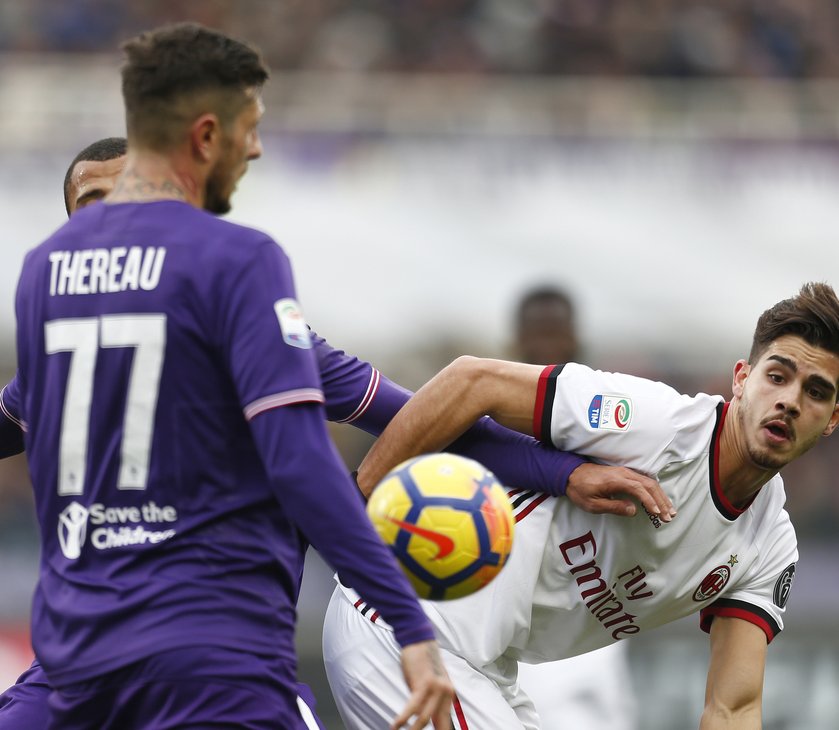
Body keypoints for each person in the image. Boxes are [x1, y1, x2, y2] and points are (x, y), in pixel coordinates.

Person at [1, 124, 671, 728]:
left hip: (219, 659)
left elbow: (435, 422)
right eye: (92, 204)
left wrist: (564, 471)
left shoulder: (260, 333)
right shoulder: (56, 356)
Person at [11, 24, 458, 730]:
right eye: (250, 127)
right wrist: (409, 624)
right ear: (206, 134)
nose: (254, 149)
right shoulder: (237, 260)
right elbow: (301, 464)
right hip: (212, 657)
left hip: (79, 663)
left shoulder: (44, 271)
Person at [323, 282, 839, 730]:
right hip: (405, 626)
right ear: (742, 380)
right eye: (777, 376)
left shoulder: (770, 548)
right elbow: (472, 380)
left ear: (833, 420)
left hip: (486, 669)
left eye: (815, 392)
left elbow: (734, 709)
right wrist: (354, 502)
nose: (790, 401)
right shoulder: (657, 424)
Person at [511, 285, 637, 730]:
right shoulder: (486, 425)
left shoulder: (611, 422)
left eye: (556, 331)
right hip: (510, 628)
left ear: (575, 340)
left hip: (591, 620)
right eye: (537, 331)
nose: (547, 344)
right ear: (517, 341)